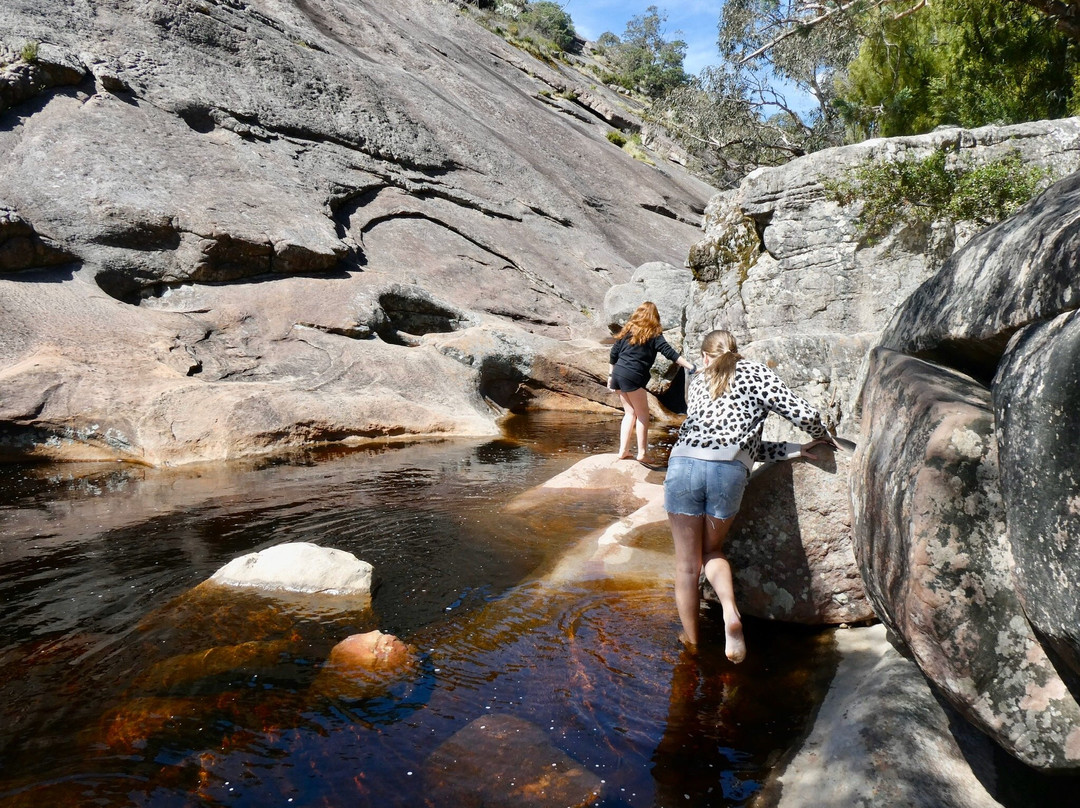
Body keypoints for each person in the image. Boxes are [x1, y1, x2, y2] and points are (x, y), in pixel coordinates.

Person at [663, 329, 834, 663]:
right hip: (727, 470)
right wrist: (820, 438)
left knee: (686, 565)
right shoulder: (757, 372)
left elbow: (719, 438)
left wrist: (792, 449)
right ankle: (730, 612)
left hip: (683, 463)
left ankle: (693, 645)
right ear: (735, 351)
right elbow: (802, 417)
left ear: (705, 357)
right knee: (712, 550)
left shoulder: (699, 382)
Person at [608, 302, 698, 463]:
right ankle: (642, 453)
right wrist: (691, 367)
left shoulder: (628, 330)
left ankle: (623, 451)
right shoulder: (654, 334)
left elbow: (614, 353)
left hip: (618, 373)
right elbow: (670, 353)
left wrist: (610, 376)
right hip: (633, 376)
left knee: (630, 413)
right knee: (643, 414)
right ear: (654, 318)